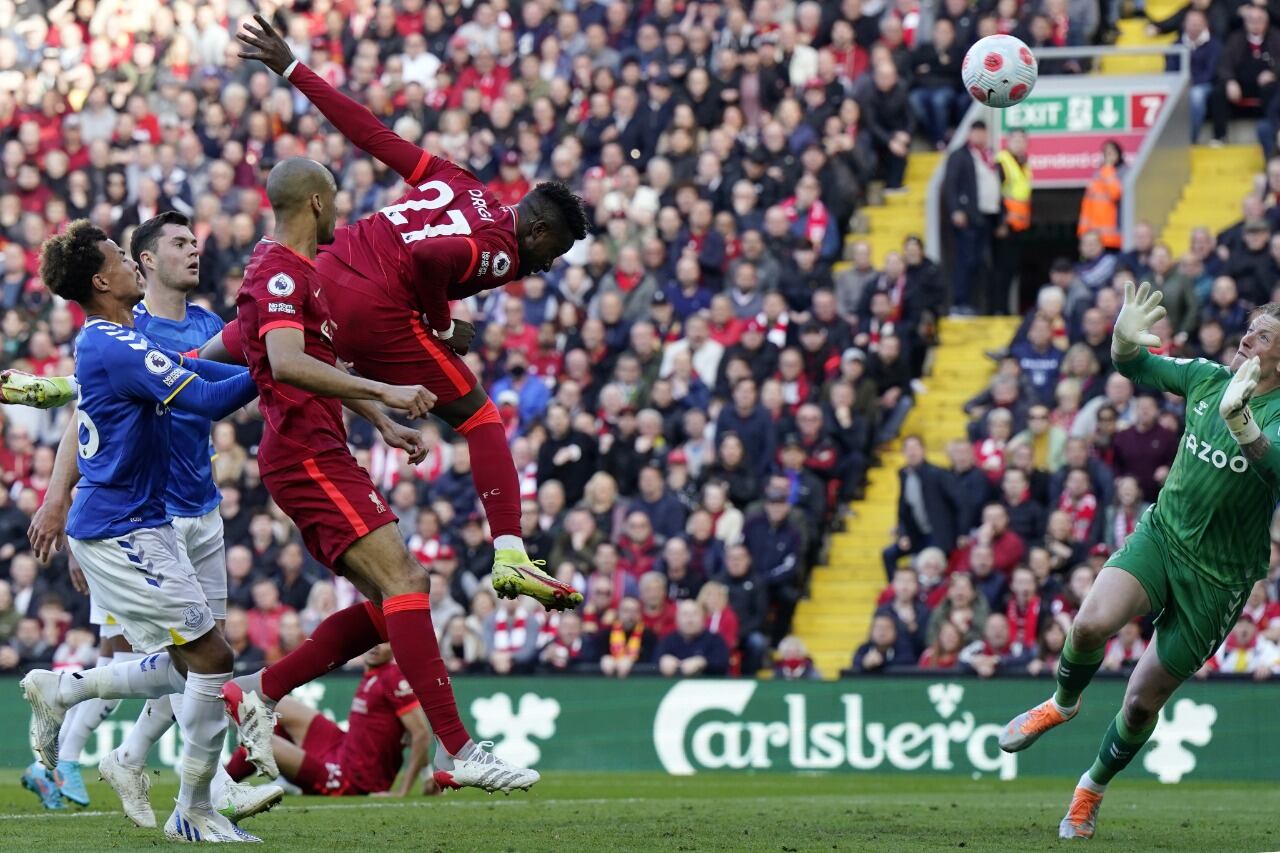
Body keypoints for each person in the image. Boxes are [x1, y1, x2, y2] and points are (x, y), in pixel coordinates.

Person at [224, 15, 589, 611]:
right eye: (554, 251)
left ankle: (136, 371)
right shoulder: (503, 249)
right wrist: (441, 325)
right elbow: (430, 260)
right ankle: (510, 552)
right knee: (481, 421)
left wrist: (292, 68)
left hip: (327, 264)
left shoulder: (458, 180)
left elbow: (371, 135)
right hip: (377, 305)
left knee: (243, 340)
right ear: (538, 227)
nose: (546, 265)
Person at [222, 156, 536, 795]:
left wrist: (377, 417)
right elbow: (285, 363)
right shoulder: (281, 270)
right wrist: (385, 391)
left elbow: (308, 358)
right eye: (334, 198)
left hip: (319, 447)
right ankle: (464, 750)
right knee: (408, 581)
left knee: (386, 606)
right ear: (315, 204)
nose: (342, 210)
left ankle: (258, 692)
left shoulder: (302, 272)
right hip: (306, 454)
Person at [14, 212, 292, 824]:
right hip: (121, 526)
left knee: (194, 661)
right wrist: (283, 365)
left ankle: (71, 693)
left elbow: (210, 375)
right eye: (117, 256)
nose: (127, 262)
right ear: (104, 278)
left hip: (156, 519)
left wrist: (280, 365)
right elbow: (212, 397)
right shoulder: (114, 343)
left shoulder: (126, 339)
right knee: (209, 659)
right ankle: (195, 805)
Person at [999, 283, 1280, 840]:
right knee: (1089, 624)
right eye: (1249, 328)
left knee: (1138, 703)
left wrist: (1243, 423)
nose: (1245, 338)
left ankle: (1090, 790)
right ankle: (1061, 702)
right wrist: (1121, 340)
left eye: (1263, 335)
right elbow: (1137, 366)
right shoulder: (1205, 378)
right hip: (1162, 537)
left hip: (1219, 582)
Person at [223, 644, 438, 797]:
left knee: (259, 739)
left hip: (349, 779)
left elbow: (420, 734)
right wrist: (427, 775)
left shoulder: (393, 678)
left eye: (383, 641)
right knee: (279, 705)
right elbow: (410, 735)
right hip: (341, 749)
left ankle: (218, 788)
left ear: (395, 645)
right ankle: (286, 778)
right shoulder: (375, 673)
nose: (374, 646)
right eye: (371, 639)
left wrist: (402, 792)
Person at [943, 120, 1000, 314]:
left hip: (986, 216)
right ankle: (960, 303)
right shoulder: (960, 155)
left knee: (979, 263)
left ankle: (975, 303)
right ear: (969, 134)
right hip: (968, 216)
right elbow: (951, 185)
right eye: (976, 133)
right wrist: (956, 210)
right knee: (965, 261)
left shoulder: (991, 156)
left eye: (983, 133)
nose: (980, 137)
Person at [1077, 141, 1124, 252]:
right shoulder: (1098, 174)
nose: (1108, 156)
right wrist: (1083, 232)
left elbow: (1115, 194)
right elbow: (1087, 204)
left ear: (1118, 154)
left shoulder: (1123, 172)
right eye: (1106, 153)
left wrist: (1108, 169)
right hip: (1094, 238)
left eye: (1111, 153)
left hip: (1113, 237)